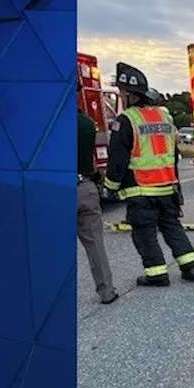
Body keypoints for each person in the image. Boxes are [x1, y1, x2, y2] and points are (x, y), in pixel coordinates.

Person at [104, 62, 194, 287]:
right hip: (167, 186)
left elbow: (118, 159)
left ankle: (156, 274)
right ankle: (189, 265)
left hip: (141, 189)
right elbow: (173, 152)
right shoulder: (165, 116)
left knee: (144, 233)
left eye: (122, 92)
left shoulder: (126, 120)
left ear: (130, 95)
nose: (121, 96)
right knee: (171, 226)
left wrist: (110, 187)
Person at [77, 109, 118, 304]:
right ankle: (107, 291)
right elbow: (92, 162)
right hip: (85, 188)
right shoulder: (87, 124)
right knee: (95, 243)